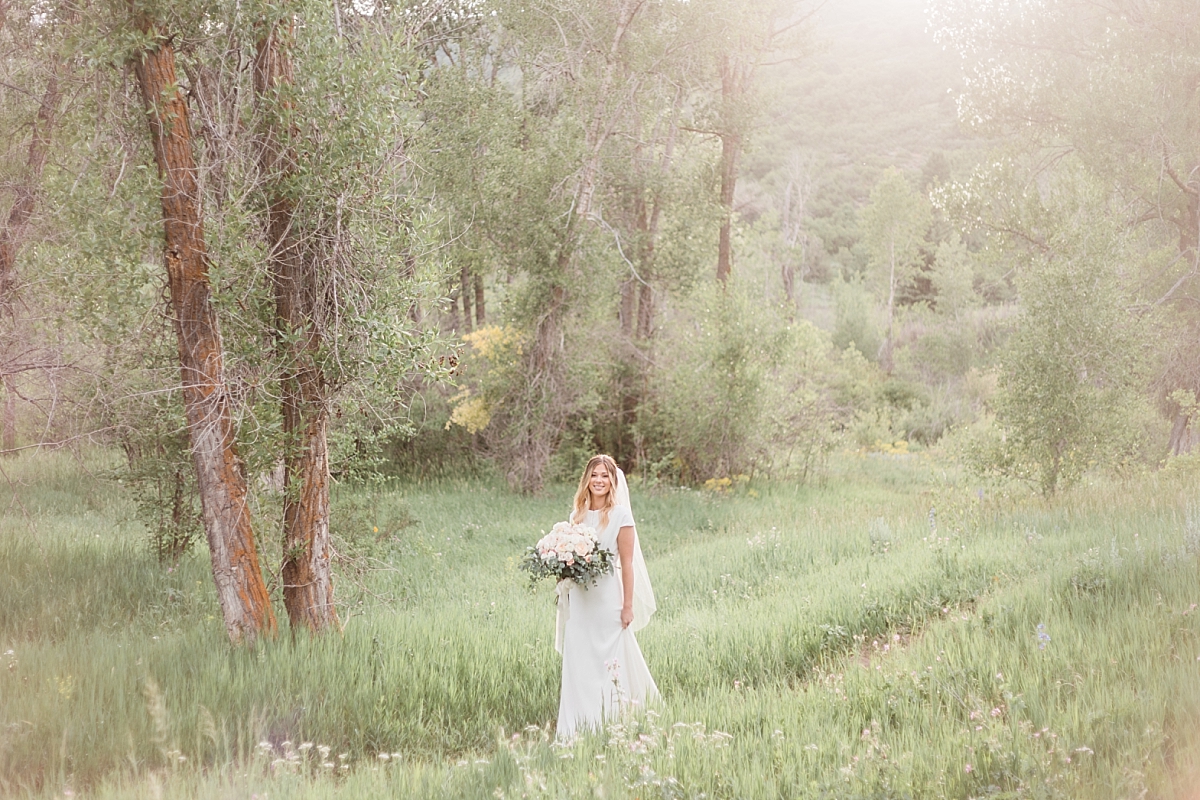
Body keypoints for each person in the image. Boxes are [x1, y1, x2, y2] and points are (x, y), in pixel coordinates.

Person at [555, 454, 658, 739]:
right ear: (586, 479)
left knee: (610, 659)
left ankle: (615, 717)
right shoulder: (576, 515)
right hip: (580, 599)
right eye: (594, 475)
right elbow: (568, 558)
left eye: (605, 476)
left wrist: (627, 605)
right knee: (580, 658)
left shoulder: (621, 517)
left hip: (607, 599)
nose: (599, 481)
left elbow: (626, 563)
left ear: (613, 481)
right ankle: (577, 723)